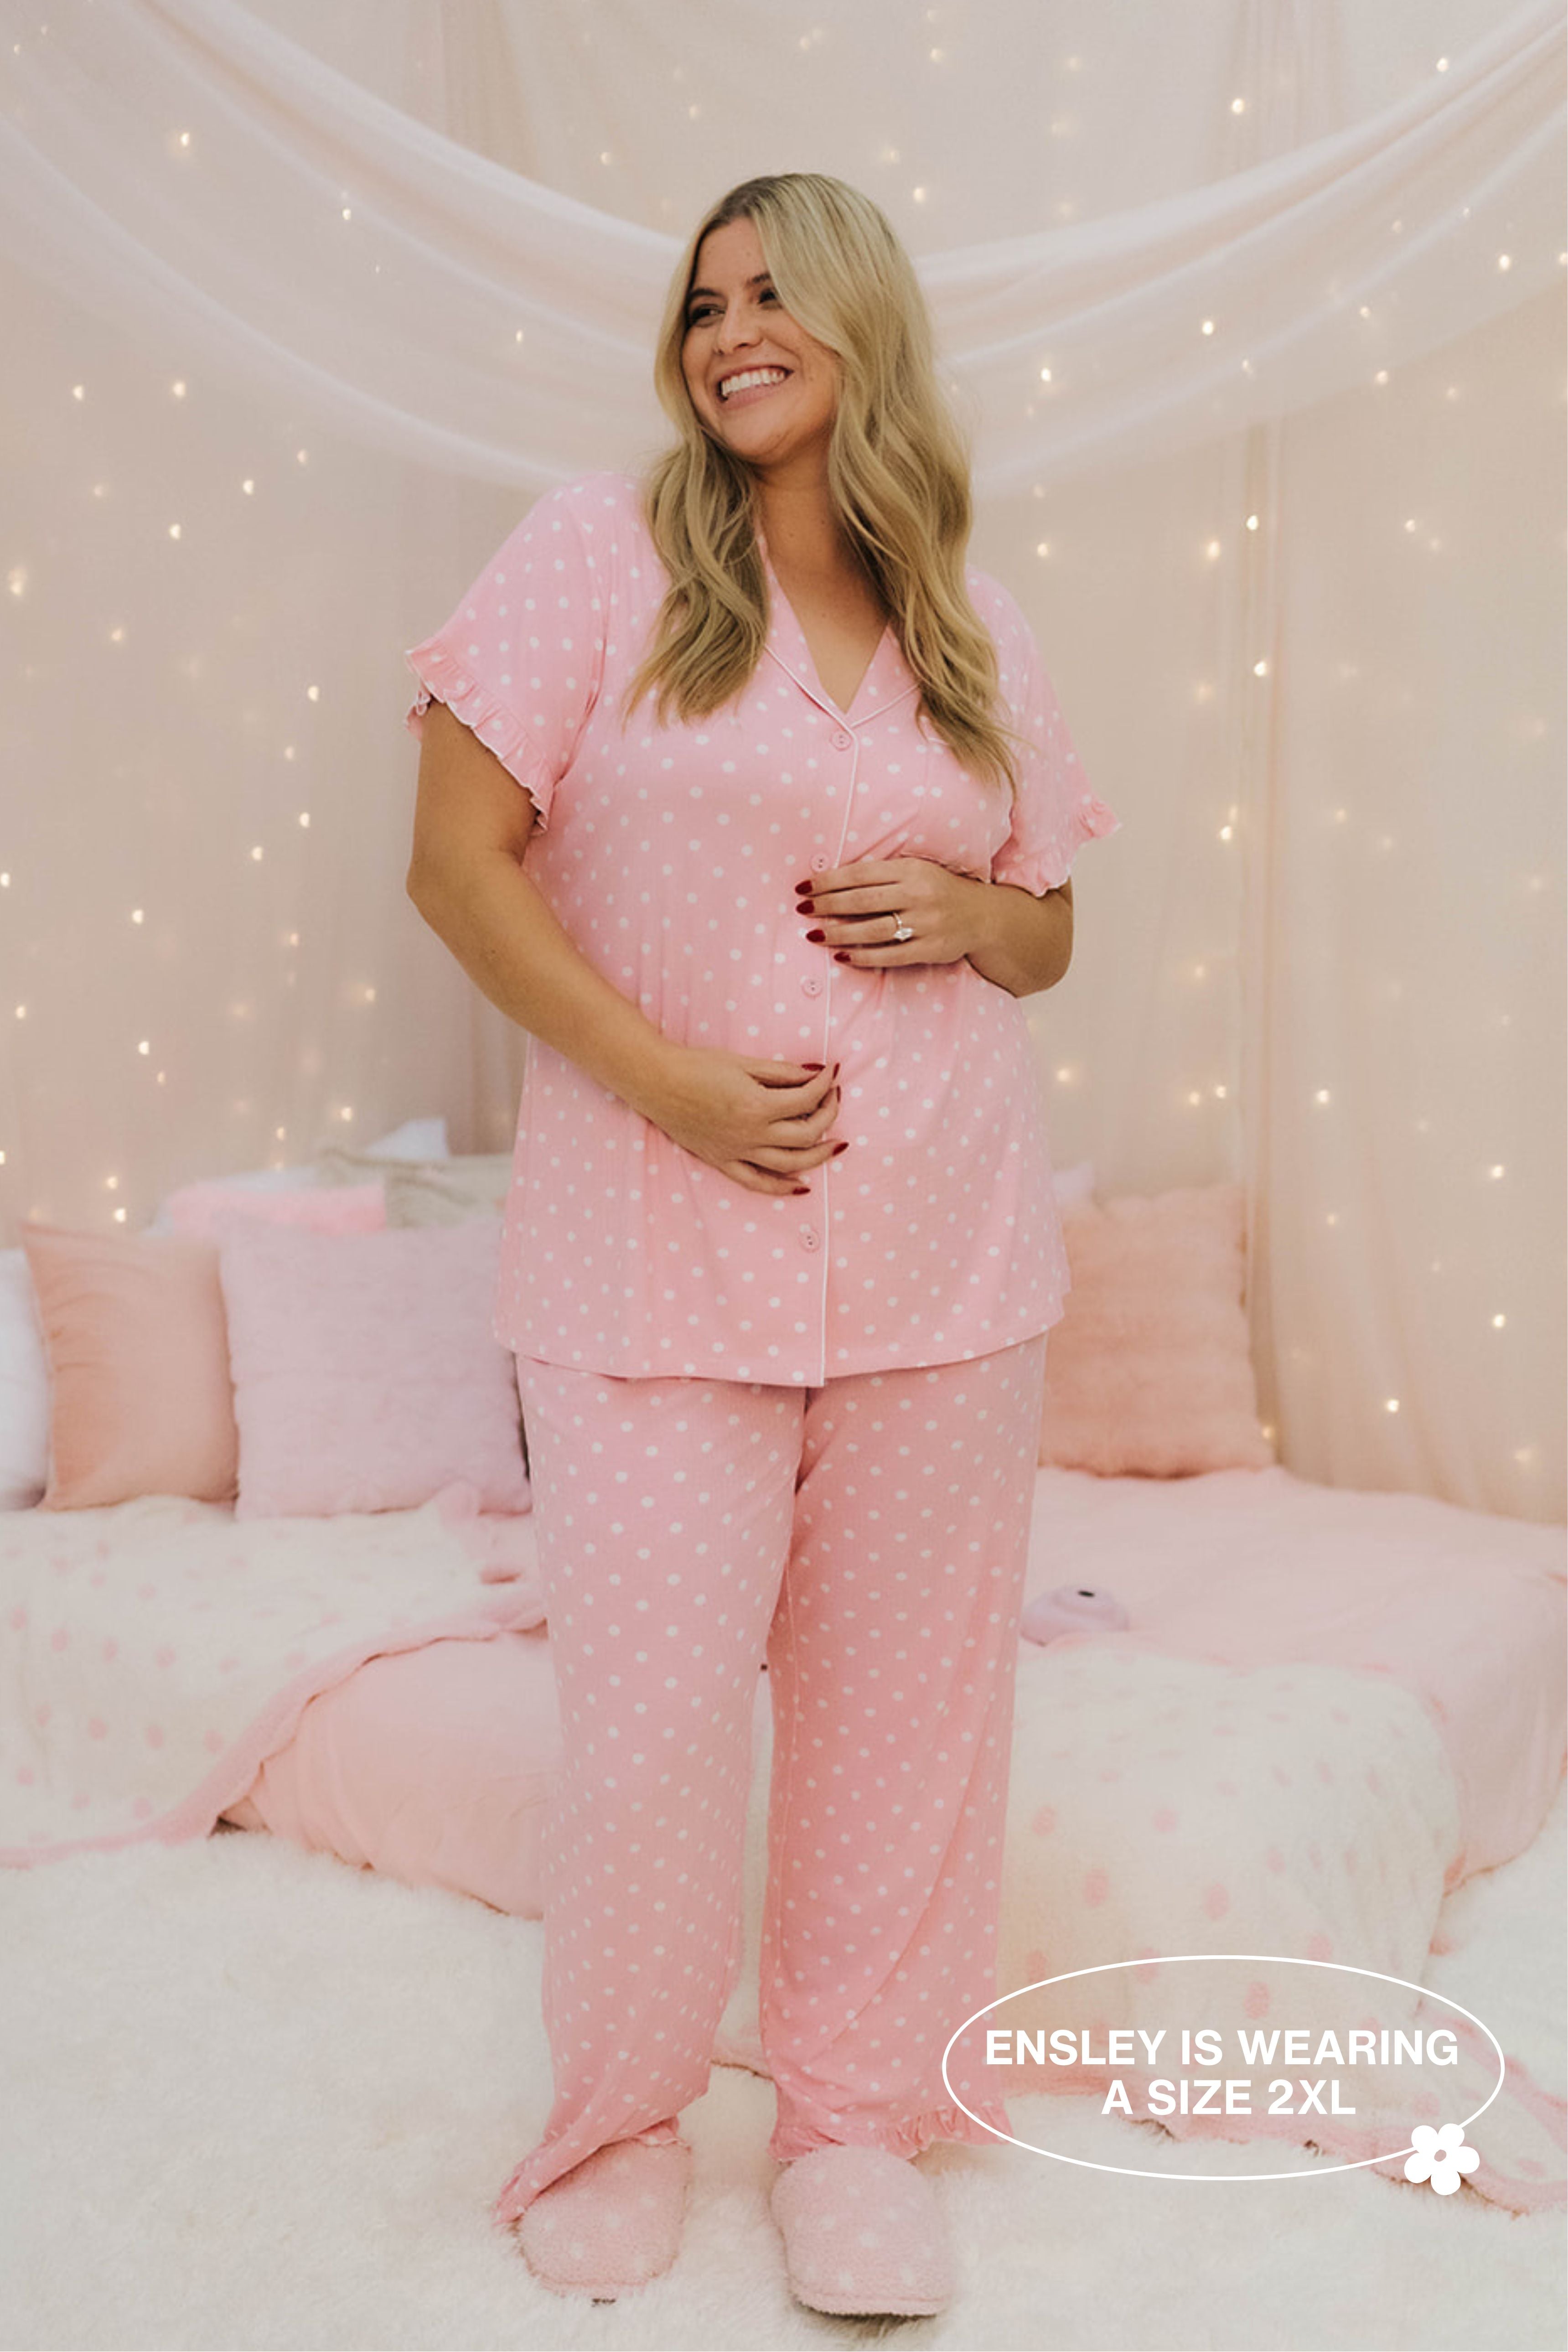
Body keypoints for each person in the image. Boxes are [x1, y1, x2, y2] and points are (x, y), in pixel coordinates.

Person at [402, 171, 1119, 2319]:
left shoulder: (958, 613)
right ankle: (615, 2127)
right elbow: (458, 866)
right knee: (642, 1747)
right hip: (650, 1262)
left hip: (942, 1263)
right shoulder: (587, 556)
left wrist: (975, 918)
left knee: (902, 1734)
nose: (727, 328)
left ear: (861, 325)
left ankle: (849, 2133)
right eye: (702, 300)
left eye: (771, 292)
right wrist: (668, 1078)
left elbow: (1051, 922)